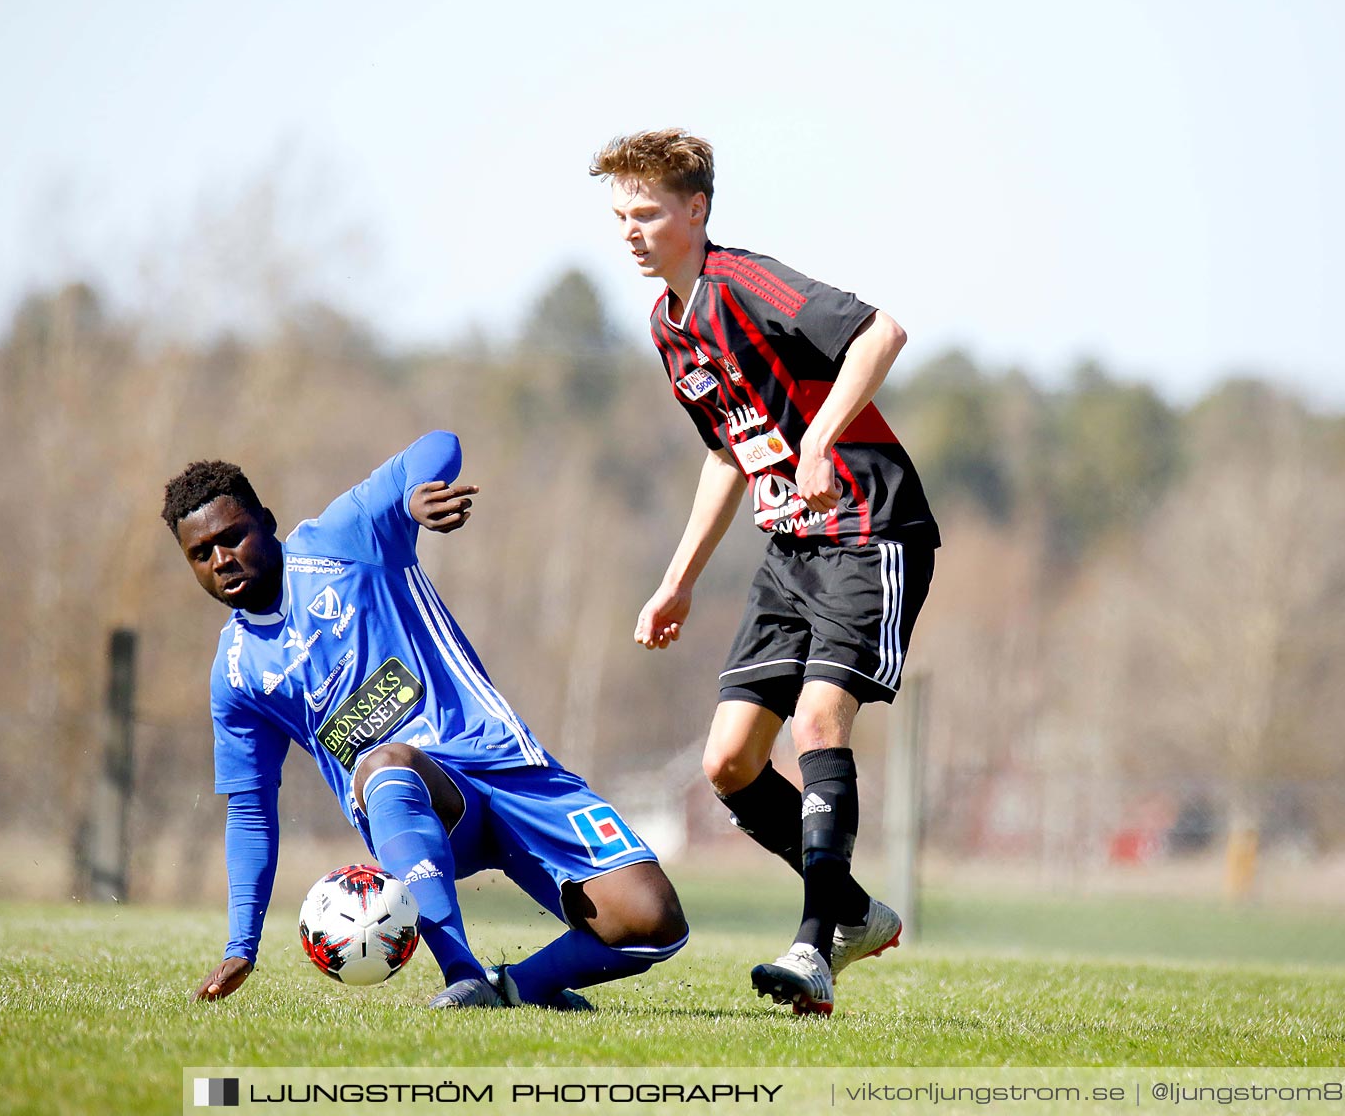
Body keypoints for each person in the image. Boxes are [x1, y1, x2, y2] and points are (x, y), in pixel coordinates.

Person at [590, 129, 939, 1016]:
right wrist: (679, 579)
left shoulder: (743, 283)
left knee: (820, 717)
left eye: (648, 213)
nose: (630, 231)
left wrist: (821, 442)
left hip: (869, 528)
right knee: (730, 763)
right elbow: (727, 453)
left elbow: (882, 331)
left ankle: (815, 947)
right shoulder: (669, 324)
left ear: (696, 209)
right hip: (790, 551)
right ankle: (855, 911)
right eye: (621, 215)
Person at [164, 430, 688, 1010]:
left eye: (232, 536)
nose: (221, 560)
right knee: (386, 762)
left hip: (507, 768)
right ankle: (459, 973)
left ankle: (516, 988)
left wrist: (412, 495)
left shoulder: (343, 539)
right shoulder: (235, 674)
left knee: (654, 921)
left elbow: (440, 444)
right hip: (415, 810)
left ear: (266, 520)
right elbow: (250, 810)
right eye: (200, 553)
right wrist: (243, 942)